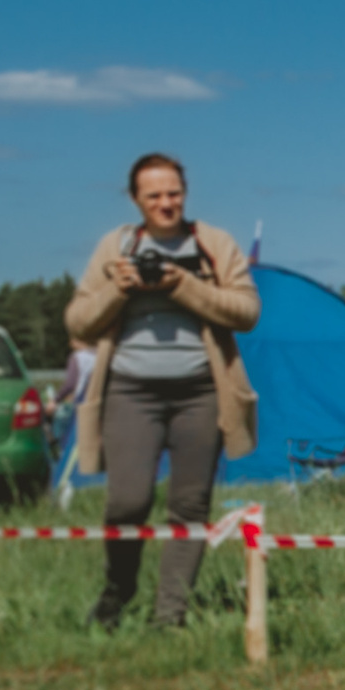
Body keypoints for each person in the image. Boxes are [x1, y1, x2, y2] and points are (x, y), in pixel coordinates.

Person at [64, 153, 260, 628]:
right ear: (136, 200)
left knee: (190, 504)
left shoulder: (212, 243)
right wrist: (118, 289)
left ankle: (169, 614)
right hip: (129, 391)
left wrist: (183, 285)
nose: (165, 203)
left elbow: (247, 311)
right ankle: (118, 590)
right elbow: (78, 322)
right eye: (154, 196)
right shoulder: (116, 245)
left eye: (173, 193)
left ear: (184, 193)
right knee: (126, 501)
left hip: (201, 390)